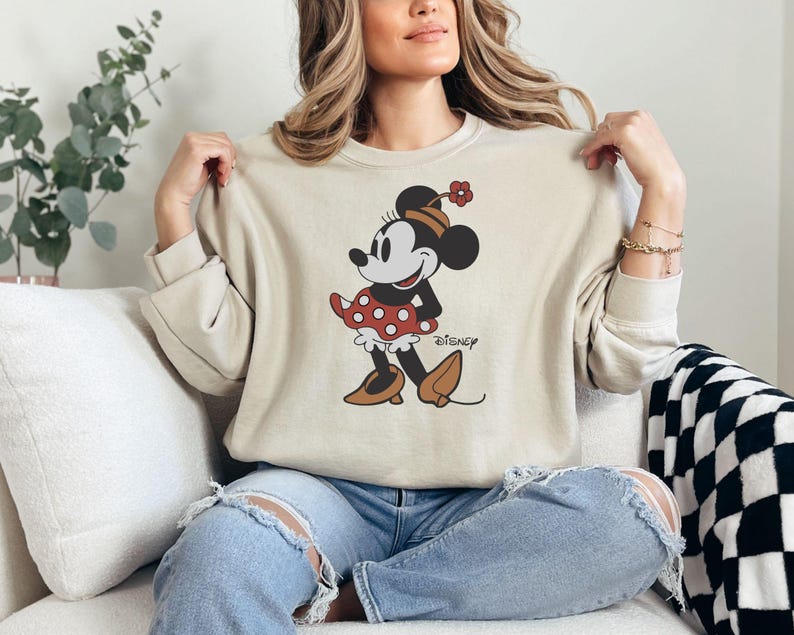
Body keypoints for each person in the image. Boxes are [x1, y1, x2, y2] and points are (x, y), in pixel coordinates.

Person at [139, 0, 689, 632]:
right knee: (218, 558)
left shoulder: (563, 171)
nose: (428, 5)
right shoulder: (259, 175)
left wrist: (664, 195)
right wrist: (174, 216)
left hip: (493, 502)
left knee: (638, 513)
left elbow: (620, 364)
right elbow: (219, 368)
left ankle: (351, 603)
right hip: (316, 491)